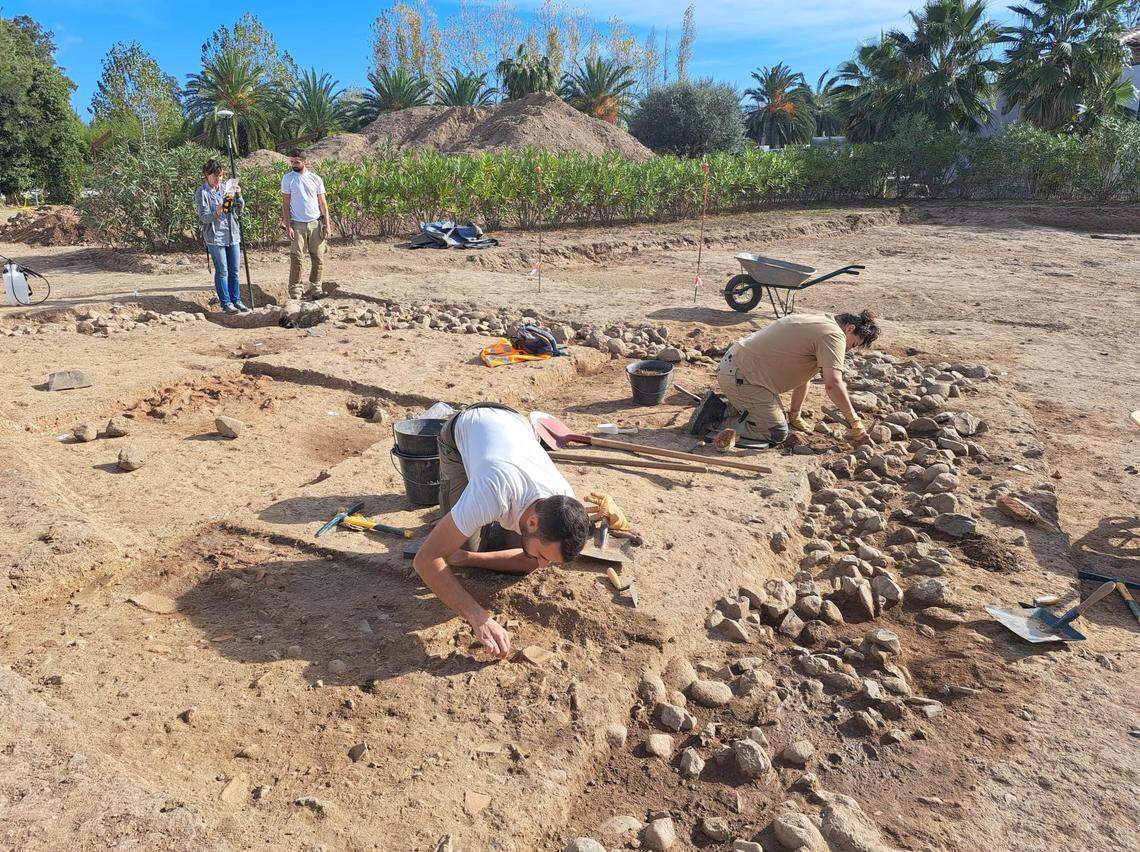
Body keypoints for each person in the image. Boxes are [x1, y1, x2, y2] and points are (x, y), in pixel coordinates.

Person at [412, 404, 593, 659]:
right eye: (545, 556)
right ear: (533, 522)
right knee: (456, 548)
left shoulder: (564, 502)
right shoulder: (492, 490)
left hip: (515, 427)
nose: (543, 566)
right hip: (464, 430)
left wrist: (468, 559)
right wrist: (479, 617)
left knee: (484, 556)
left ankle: (471, 530)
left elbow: (530, 561)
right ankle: (465, 517)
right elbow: (425, 559)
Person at [715, 310, 881, 448]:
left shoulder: (821, 321)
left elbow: (804, 375)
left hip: (737, 368)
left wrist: (795, 414)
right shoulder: (835, 335)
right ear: (850, 328)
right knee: (776, 432)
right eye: (853, 345)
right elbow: (833, 384)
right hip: (743, 376)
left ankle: (729, 407)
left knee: (779, 420)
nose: (847, 350)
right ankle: (714, 419)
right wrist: (855, 423)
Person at [195, 159, 248, 314]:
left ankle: (236, 300)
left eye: (221, 175)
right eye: (215, 176)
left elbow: (239, 208)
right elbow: (204, 217)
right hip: (215, 237)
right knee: (222, 270)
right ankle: (226, 303)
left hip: (232, 234)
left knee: (234, 270)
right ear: (207, 174)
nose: (218, 179)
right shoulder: (202, 192)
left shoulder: (227, 188)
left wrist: (239, 195)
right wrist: (217, 212)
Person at [280, 149, 332, 299]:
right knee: (296, 257)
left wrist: (327, 224)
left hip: (315, 223)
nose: (293, 164)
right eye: (292, 161)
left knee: (318, 257)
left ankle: (315, 287)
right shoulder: (287, 179)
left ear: (304, 161)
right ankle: (295, 289)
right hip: (297, 224)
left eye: (296, 162)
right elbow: (285, 204)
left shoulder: (316, 179)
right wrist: (288, 226)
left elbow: (323, 203)